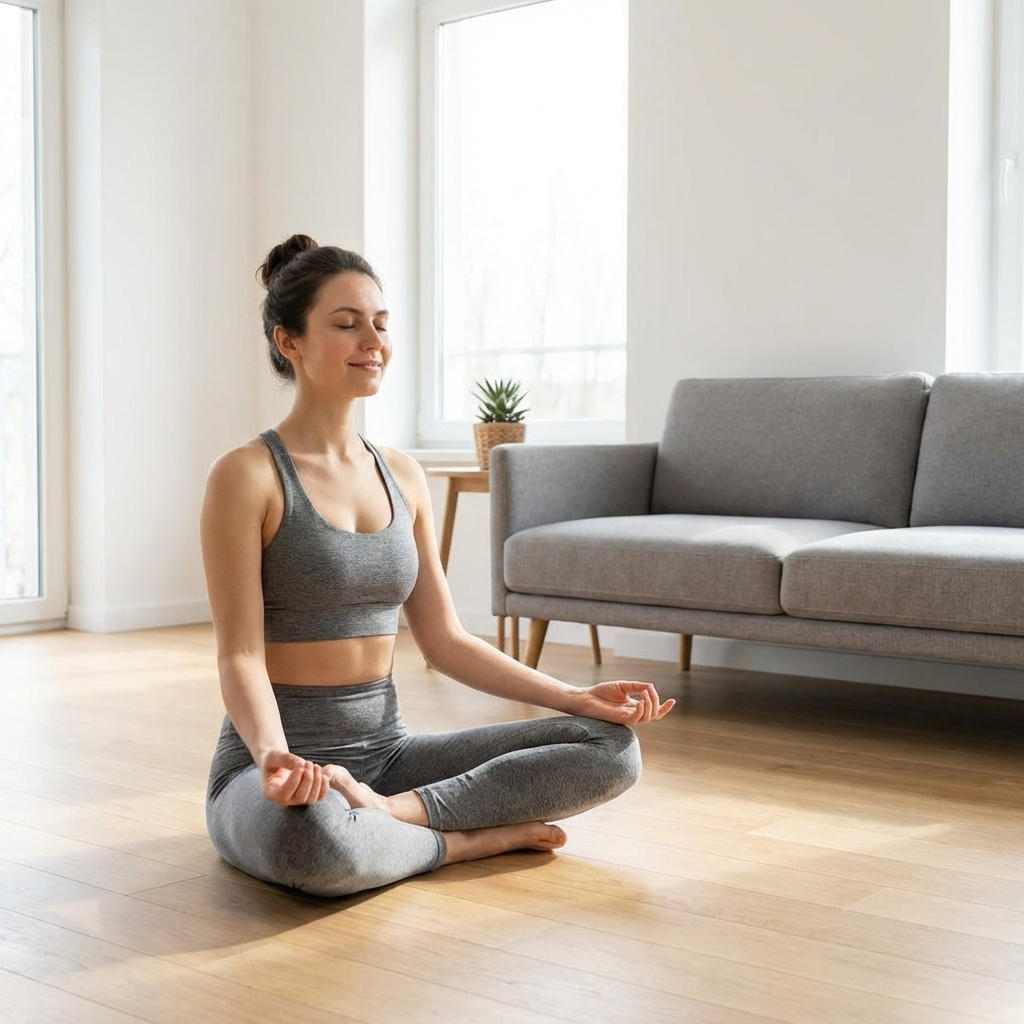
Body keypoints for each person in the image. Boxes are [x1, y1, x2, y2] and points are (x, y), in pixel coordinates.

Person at [200, 234, 675, 897]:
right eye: (347, 324)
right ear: (290, 341)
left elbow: (445, 641)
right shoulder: (247, 475)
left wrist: (575, 697)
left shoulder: (402, 475)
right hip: (274, 769)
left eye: (381, 323)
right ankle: (462, 841)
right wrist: (273, 757)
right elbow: (241, 656)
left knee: (611, 748)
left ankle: (395, 815)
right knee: (316, 843)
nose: (374, 340)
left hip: (387, 757)